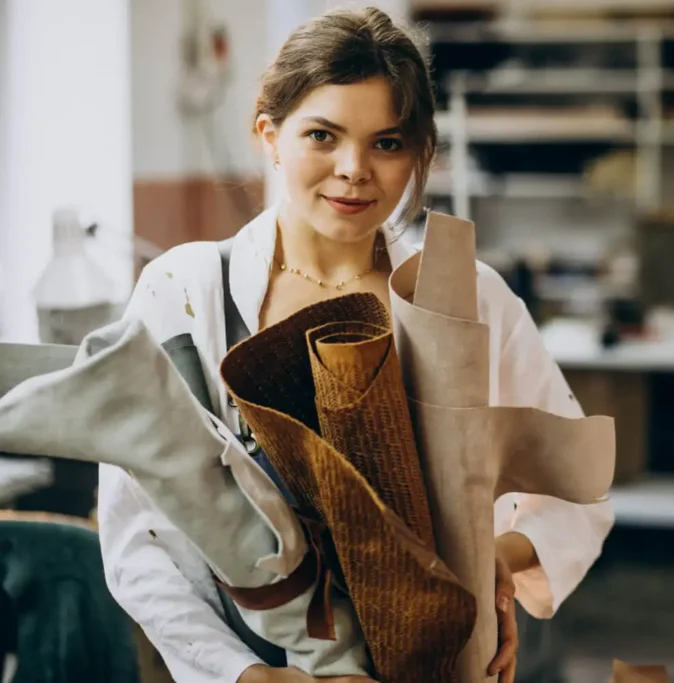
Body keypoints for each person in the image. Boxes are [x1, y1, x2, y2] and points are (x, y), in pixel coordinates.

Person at [96, 7, 614, 683]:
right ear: (269, 134)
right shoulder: (185, 293)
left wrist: (501, 554)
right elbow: (138, 537)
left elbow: (581, 487)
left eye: (388, 143)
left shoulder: (466, 295)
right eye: (323, 135)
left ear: (421, 151)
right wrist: (244, 675)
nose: (354, 170)